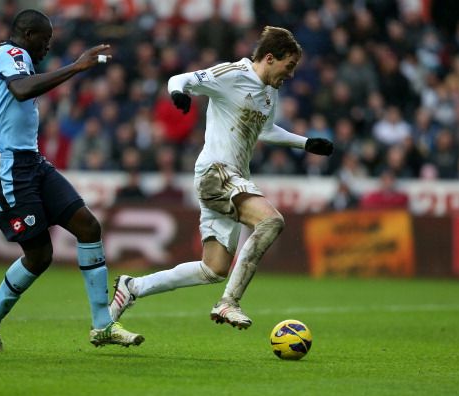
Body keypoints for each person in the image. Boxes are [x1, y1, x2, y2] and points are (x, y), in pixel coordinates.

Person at [109, 26, 333, 330]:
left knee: (212, 269)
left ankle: (133, 287)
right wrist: (179, 94)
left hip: (232, 178)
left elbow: (265, 131)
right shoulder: (233, 74)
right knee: (271, 221)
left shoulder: (269, 93)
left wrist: (305, 143)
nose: (290, 74)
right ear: (269, 58)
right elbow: (181, 79)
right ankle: (229, 302)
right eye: (288, 66)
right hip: (217, 171)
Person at [0, 9, 143, 351]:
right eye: (46, 40)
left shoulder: (22, 59)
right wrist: (77, 66)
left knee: (88, 227)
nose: (48, 47)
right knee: (39, 257)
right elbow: (21, 90)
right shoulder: (10, 54)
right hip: (4, 168)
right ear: (29, 34)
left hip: (31, 162)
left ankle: (103, 325)